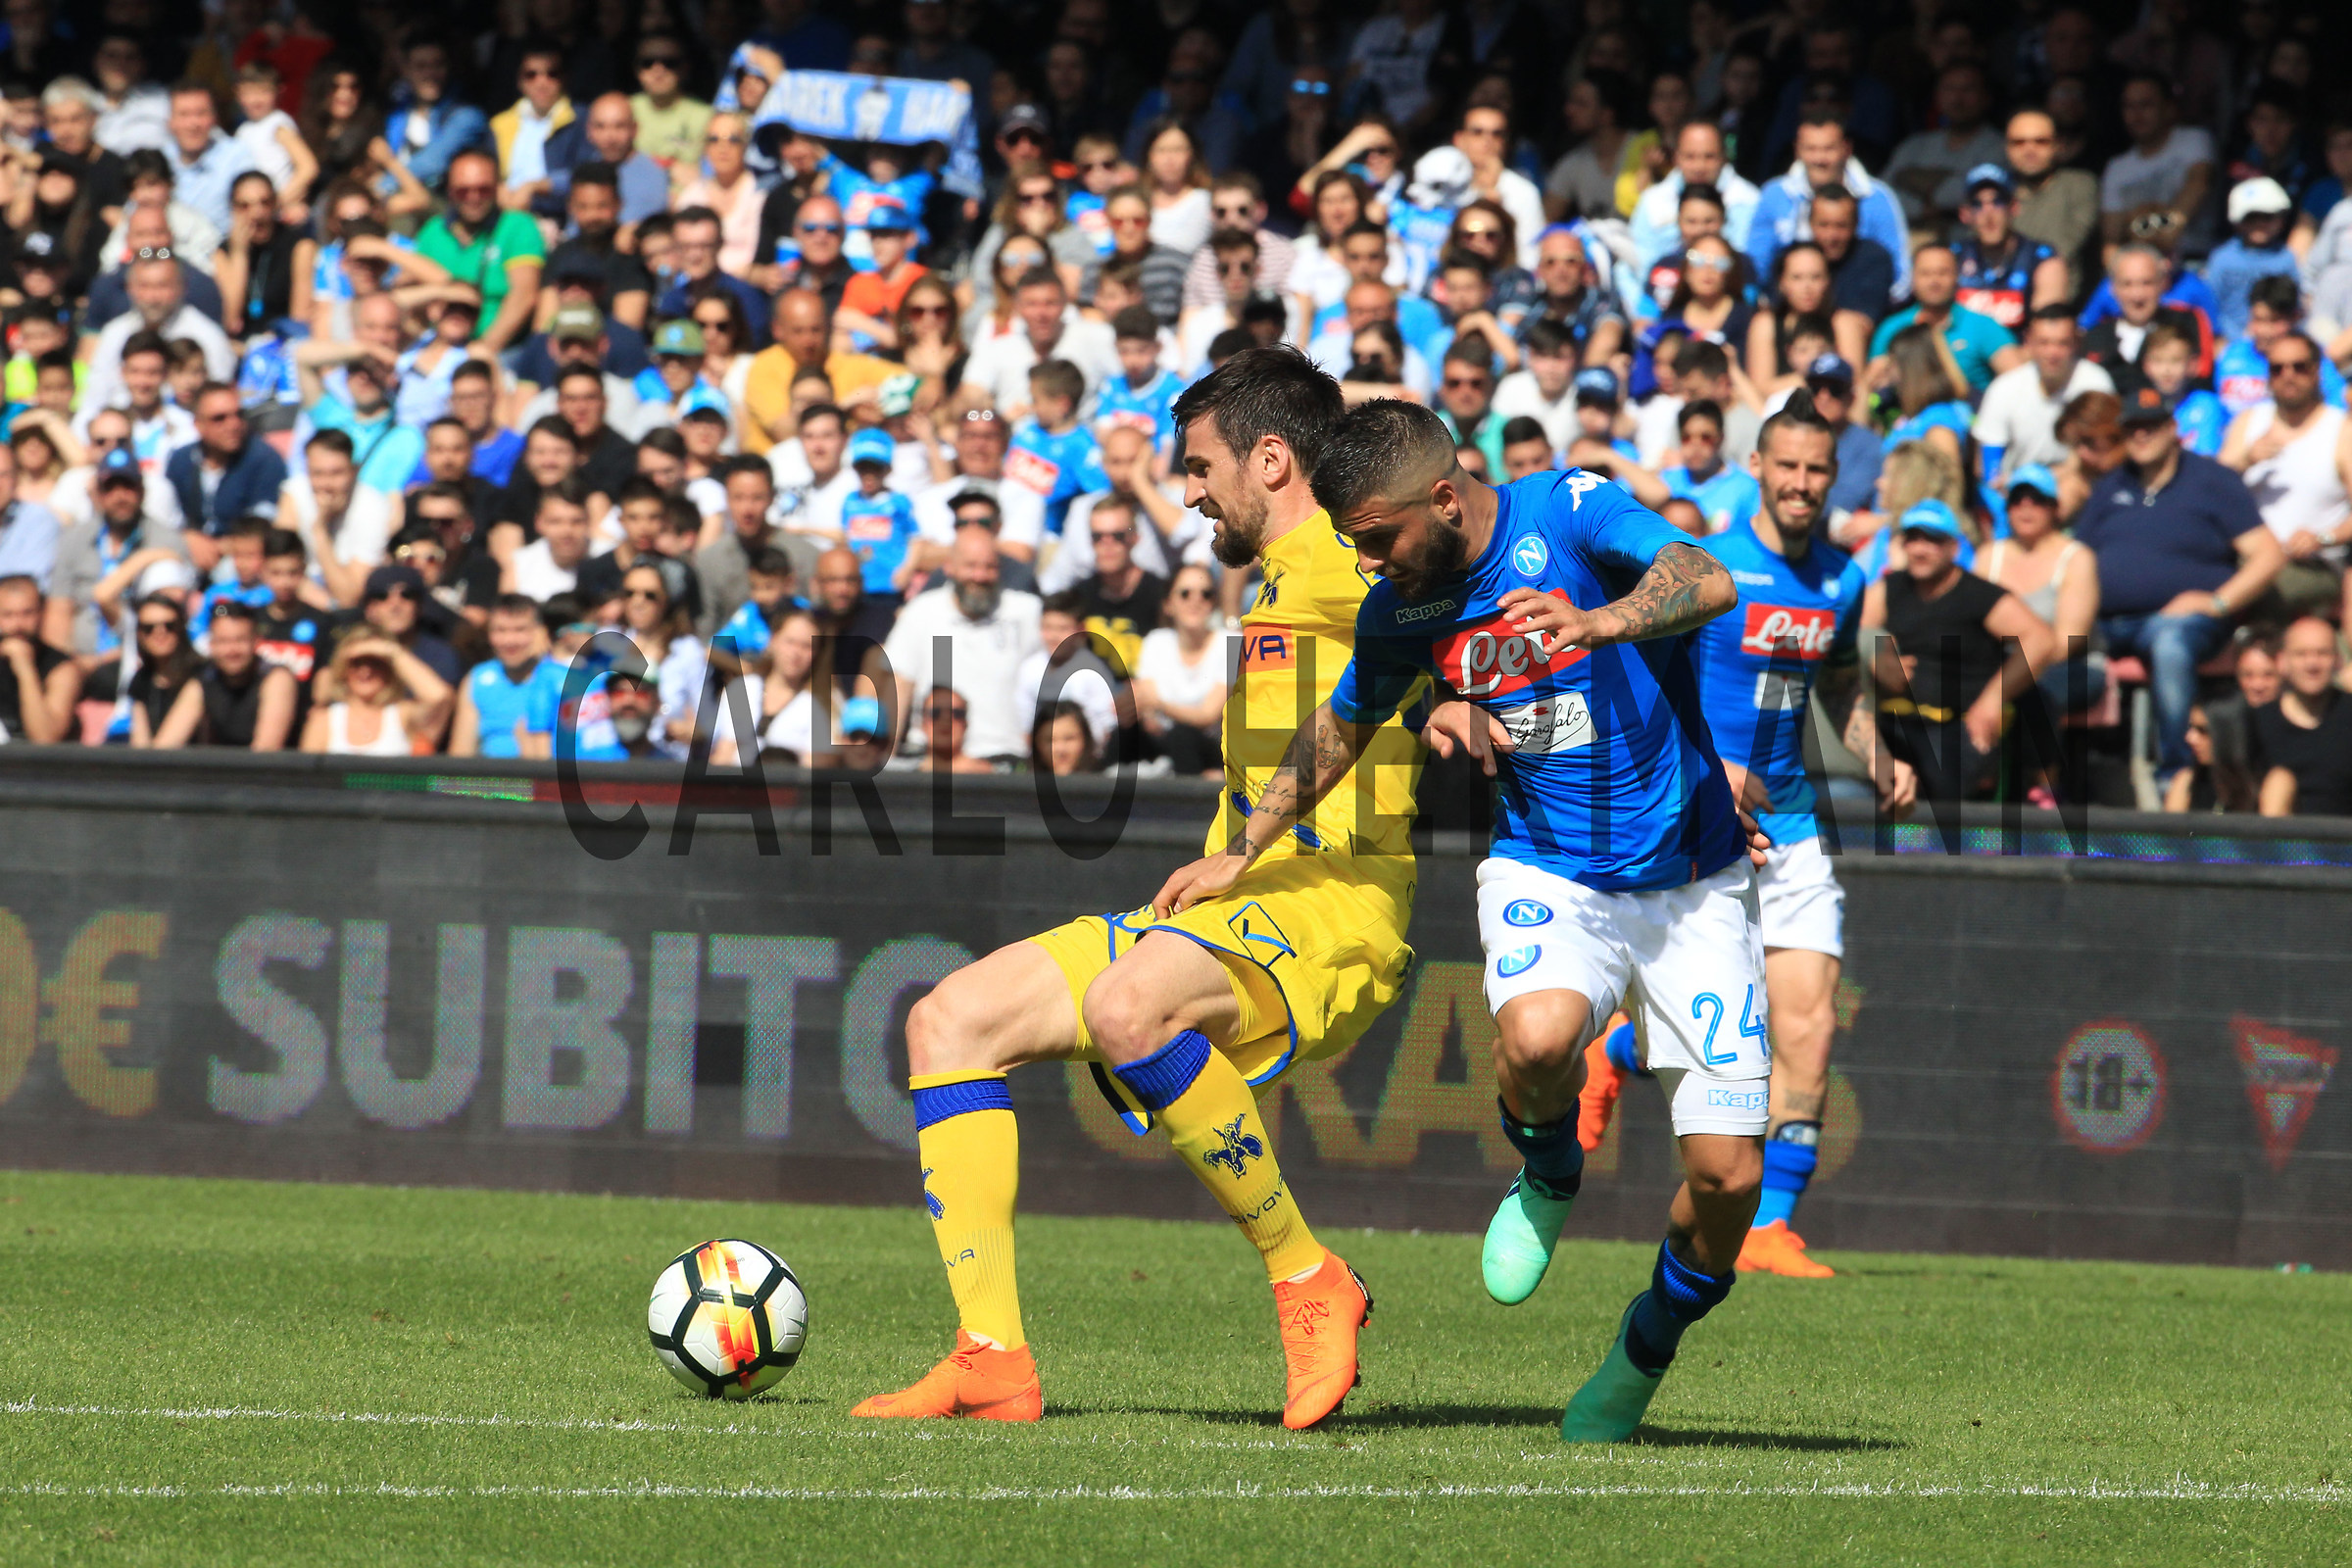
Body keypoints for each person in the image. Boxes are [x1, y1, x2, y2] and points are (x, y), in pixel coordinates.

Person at [1170, 390, 1760, 1445]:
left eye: (1379, 539)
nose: (1369, 563)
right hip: (1552, 867)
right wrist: (1243, 845)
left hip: (1695, 878)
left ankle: (1645, 1346)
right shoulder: (1399, 607)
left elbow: (1706, 578)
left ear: (1444, 500)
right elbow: (1342, 724)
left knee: (1727, 1180)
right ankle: (1550, 1169)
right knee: (1536, 1040)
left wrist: (1603, 620)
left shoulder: (1567, 511)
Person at [853, 349, 1422, 1431]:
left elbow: (1478, 634)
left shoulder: (1359, 567)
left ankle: (1309, 1277)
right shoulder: (1274, 581)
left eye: (1201, 467)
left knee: (1127, 1009)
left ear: (1271, 458)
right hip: (1227, 910)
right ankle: (991, 1358)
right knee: (949, 1020)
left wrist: (1477, 709)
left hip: (1333, 910)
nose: (1189, 491)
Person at [1673, 391, 1912, 1274]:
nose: (1802, 483)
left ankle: (1768, 1230)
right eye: (1788, 466)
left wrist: (1878, 755)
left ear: (1834, 476)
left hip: (1795, 824)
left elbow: (1839, 686)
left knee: (1808, 1026)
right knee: (1696, 1024)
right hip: (1701, 820)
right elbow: (1643, 679)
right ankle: (1615, 1051)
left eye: (1818, 469)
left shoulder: (1843, 581)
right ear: (1758, 469)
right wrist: (1707, 768)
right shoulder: (1708, 567)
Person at [2073, 390, 2285, 788]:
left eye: (2151, 426)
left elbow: (2269, 556)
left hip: (2184, 623)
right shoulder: (2110, 485)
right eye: (2132, 428)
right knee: (2041, 645)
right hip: (2105, 623)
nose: (2140, 435)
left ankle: (2174, 774)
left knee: (2170, 643)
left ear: (2173, 429)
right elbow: (2077, 555)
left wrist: (2218, 602)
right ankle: (2041, 783)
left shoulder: (2212, 480)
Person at [1862, 498, 2057, 801]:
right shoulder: (1890, 588)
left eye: (1932, 540)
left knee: (1939, 782)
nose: (1920, 549)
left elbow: (2040, 640)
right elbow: (1856, 633)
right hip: (1897, 721)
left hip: (1959, 726)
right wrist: (1880, 657)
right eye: (1913, 539)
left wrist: (1992, 700)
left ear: (1953, 548)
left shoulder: (1978, 595)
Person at [2218, 332, 2352, 621]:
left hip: (2311, 565)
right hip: (2246, 558)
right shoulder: (2249, 422)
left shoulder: (2341, 430)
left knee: (2261, 589)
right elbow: (2210, 490)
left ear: (2316, 371)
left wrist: (2324, 537)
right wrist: (2246, 461)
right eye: (2277, 368)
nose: (2288, 376)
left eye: (2299, 367)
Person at [414, 150, 545, 357]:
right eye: (463, 191)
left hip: (501, 350)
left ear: (497, 188)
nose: (473, 197)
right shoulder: (433, 231)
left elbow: (524, 295)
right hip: (437, 347)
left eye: (483, 190)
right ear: (449, 191)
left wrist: (482, 351)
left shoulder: (518, 226)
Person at [1974, 308, 2115, 489]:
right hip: (2015, 491)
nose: (2052, 353)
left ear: (2077, 343)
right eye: (2044, 343)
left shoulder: (2096, 383)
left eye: (2062, 343)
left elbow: (2103, 454)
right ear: (2028, 342)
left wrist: (2038, 479)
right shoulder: (2004, 388)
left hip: (2077, 484)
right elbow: (1988, 465)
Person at [1867, 245, 2020, 398]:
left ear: (1957, 277)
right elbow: (1870, 386)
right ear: (1912, 278)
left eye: (1943, 273)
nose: (1934, 281)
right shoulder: (1892, 328)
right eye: (1925, 273)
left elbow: (2018, 380)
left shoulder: (1983, 326)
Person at [149, 599, 297, 749]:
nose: (232, 650)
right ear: (211, 644)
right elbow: (164, 747)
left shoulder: (277, 679)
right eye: (223, 641)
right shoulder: (204, 681)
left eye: (240, 640)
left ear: (256, 641)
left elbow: (266, 751)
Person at [2255, 616, 2352, 817]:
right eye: (2301, 654)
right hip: (2277, 835)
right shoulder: (2257, 722)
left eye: (2322, 653)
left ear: (2338, 660)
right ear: (2282, 661)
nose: (2312, 664)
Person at [300, 631, 453, 755]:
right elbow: (308, 777)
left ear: (389, 668)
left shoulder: (403, 714)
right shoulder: (325, 720)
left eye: (375, 662)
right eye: (357, 663)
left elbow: (439, 697)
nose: (365, 671)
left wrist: (392, 651)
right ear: (343, 668)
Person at [450, 594, 562, 759]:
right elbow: (460, 754)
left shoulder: (561, 680)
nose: (509, 641)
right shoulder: (478, 679)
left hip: (544, 770)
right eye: (500, 630)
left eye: (520, 630)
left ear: (540, 632)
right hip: (490, 773)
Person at [0, 570, 75, 742]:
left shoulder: (61, 667)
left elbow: (44, 738)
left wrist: (25, 669)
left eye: (27, 613)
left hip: (28, 756)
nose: (18, 624)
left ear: (42, 612)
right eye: (7, 614)